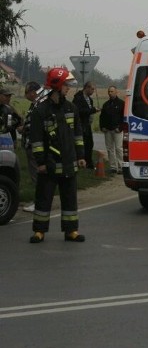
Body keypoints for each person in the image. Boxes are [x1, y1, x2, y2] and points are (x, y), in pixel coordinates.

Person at [29, 68, 86, 243]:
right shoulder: (41, 111)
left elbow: (78, 134)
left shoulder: (71, 108)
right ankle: (39, 231)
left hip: (69, 162)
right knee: (44, 198)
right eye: (66, 85)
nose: (68, 88)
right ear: (57, 86)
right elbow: (36, 140)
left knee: (69, 198)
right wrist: (40, 162)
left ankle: (71, 231)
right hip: (49, 164)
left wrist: (81, 156)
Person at [18, 81, 45, 213]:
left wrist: (23, 128)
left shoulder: (39, 104)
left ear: (33, 92)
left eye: (27, 92)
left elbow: (36, 124)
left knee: (37, 174)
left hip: (35, 144)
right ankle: (41, 200)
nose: (26, 95)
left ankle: (39, 203)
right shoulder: (38, 103)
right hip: (34, 143)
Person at [72, 80, 99, 169]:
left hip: (87, 125)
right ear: (86, 88)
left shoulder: (90, 100)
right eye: (92, 89)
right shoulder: (78, 98)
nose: (93, 91)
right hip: (80, 125)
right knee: (81, 144)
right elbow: (79, 111)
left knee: (89, 144)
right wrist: (93, 110)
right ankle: (81, 162)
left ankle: (88, 163)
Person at [99, 85, 124, 173]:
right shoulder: (106, 104)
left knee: (118, 148)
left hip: (117, 130)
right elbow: (102, 117)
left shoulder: (122, 104)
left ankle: (121, 167)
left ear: (116, 92)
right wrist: (102, 127)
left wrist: (120, 128)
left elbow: (124, 117)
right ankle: (113, 167)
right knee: (110, 149)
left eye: (112, 91)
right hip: (108, 130)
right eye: (109, 91)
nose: (110, 93)